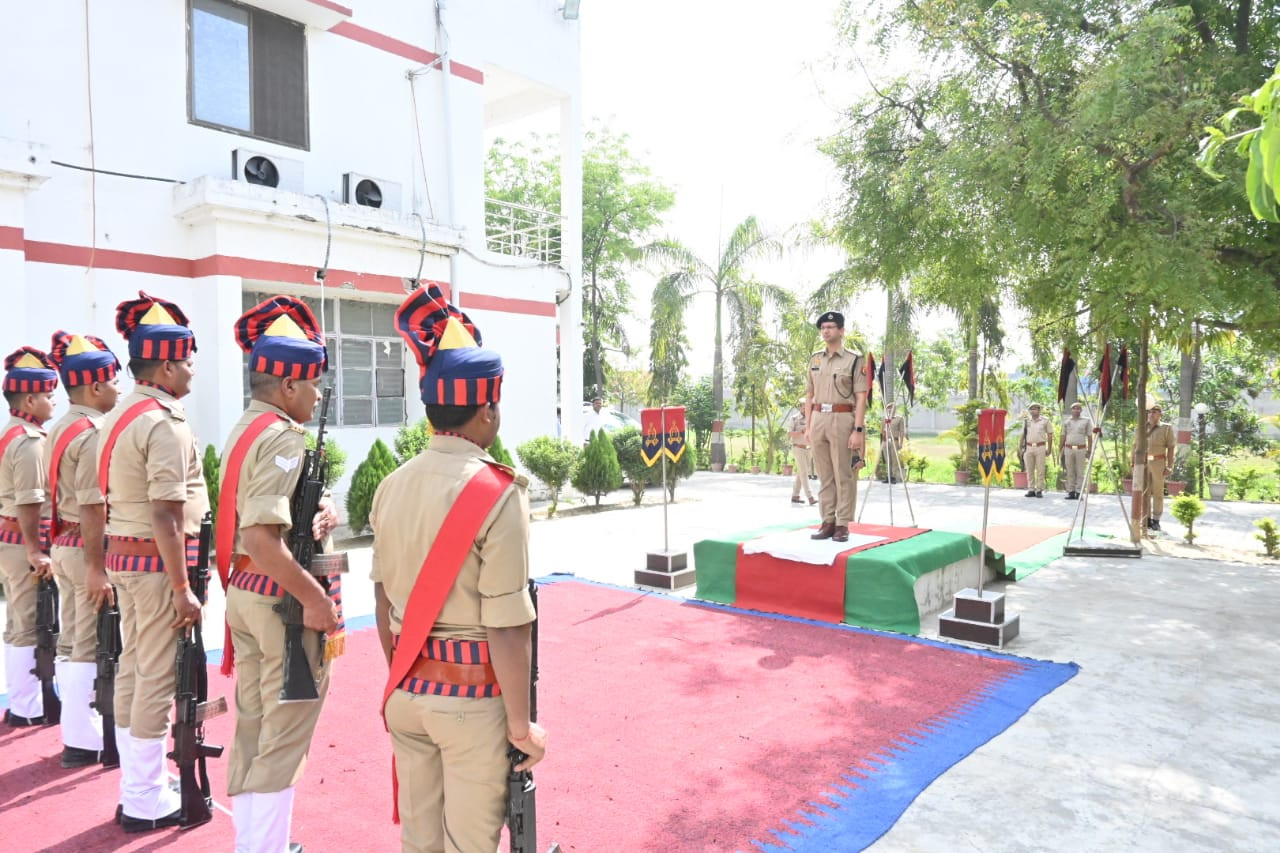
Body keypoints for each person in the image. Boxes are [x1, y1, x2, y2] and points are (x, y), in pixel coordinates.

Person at [372, 283, 547, 853]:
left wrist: (406, 676)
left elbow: (382, 600)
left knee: (419, 844)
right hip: (470, 702)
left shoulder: (391, 486)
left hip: (407, 693)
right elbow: (507, 623)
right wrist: (520, 727)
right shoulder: (499, 493)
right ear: (487, 410)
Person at [219, 296, 342, 852]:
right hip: (281, 601)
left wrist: (322, 508)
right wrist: (315, 599)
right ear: (288, 385)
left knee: (253, 726)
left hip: (247, 592)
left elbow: (267, 514)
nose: (317, 394)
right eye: (312, 383)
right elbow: (260, 536)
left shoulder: (247, 428)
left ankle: (252, 842)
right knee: (284, 734)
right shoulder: (283, 438)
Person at [98, 291, 208, 832]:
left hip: (128, 557)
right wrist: (183, 588)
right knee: (158, 676)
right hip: (156, 565)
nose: (191, 370)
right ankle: (143, 797)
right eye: (186, 360)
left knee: (135, 667)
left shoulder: (122, 413)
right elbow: (166, 512)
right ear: (166, 365)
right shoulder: (163, 422)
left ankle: (137, 786)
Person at [45, 331, 121, 765]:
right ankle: (84, 738)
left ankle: (76, 733)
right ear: (93, 386)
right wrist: (97, 567)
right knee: (89, 643)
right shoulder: (92, 433)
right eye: (112, 381)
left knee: (73, 640)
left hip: (66, 541)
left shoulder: (62, 425)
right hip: (85, 545)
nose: (118, 389)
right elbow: (94, 504)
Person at [0, 347, 57, 727]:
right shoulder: (29, 441)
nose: (54, 401)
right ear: (30, 399)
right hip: (23, 543)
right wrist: (36, 550)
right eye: (49, 395)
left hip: (13, 539)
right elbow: (30, 499)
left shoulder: (15, 432)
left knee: (20, 619)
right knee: (28, 622)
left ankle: (25, 701)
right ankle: (26, 707)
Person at [804, 311, 868, 543]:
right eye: (823, 328)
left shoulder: (854, 360)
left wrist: (857, 430)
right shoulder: (815, 359)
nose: (826, 331)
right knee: (824, 475)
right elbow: (809, 394)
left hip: (842, 418)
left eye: (830, 327)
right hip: (818, 418)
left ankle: (842, 524)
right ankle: (827, 521)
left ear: (841, 331)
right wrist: (808, 426)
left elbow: (861, 397)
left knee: (843, 474)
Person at [1137, 400, 1176, 531]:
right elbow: (1135, 446)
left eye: (1154, 412)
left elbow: (1171, 447)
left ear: (1160, 414)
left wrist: (1169, 466)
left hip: (1158, 462)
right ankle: (1146, 518)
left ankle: (1156, 519)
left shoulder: (1166, 428)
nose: (1151, 414)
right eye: (1149, 412)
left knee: (1158, 492)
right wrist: (1133, 464)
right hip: (1144, 463)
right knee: (1145, 492)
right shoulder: (1142, 427)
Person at [1059, 401, 1093, 500]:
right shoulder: (1067, 422)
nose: (1076, 410)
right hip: (1068, 448)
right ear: (1071, 410)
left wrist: (1089, 450)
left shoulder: (1086, 421)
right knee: (1070, 471)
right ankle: (1071, 491)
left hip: (1081, 449)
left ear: (1081, 410)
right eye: (1074, 408)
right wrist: (1060, 448)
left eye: (1078, 408)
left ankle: (1079, 492)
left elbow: (1090, 436)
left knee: (1080, 471)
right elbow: (1063, 435)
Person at [1020, 403, 1053, 498]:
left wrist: (1049, 449)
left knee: (1040, 469)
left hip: (1040, 447)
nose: (1033, 411)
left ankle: (1039, 490)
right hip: (1028, 447)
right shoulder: (1027, 421)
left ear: (1039, 410)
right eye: (1031, 409)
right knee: (1029, 469)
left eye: (1035, 409)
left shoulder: (1045, 421)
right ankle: (1031, 489)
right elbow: (1023, 434)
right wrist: (1020, 447)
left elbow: (1050, 435)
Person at [787, 400, 815, 505]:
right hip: (798, 448)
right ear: (800, 407)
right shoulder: (794, 418)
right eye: (803, 406)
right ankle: (810, 496)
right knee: (804, 472)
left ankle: (795, 495)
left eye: (807, 406)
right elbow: (789, 433)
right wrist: (801, 431)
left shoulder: (812, 419)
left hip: (809, 448)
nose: (805, 408)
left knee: (801, 472)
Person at [874, 401, 906, 483]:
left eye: (892, 408)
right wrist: (882, 441)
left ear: (895, 409)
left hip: (894, 440)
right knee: (887, 459)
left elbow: (902, 431)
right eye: (888, 408)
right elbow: (882, 430)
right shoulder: (884, 419)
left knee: (894, 460)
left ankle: (894, 476)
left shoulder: (899, 418)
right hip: (886, 441)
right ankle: (888, 476)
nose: (890, 409)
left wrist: (901, 443)